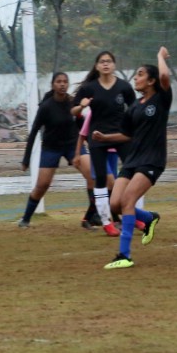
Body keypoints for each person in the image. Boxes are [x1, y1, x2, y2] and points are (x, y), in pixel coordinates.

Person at [93, 47, 172, 269]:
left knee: (127, 201)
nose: (135, 78)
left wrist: (159, 57)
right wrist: (105, 136)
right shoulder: (135, 106)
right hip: (132, 161)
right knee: (115, 204)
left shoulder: (161, 99)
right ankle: (149, 218)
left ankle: (124, 255)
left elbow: (165, 76)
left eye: (140, 74)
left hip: (152, 160)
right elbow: (127, 135)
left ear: (151, 81)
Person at [71, 51, 136, 236]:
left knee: (133, 173)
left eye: (109, 61)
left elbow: (134, 109)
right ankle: (107, 222)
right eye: (102, 62)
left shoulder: (124, 87)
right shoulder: (89, 88)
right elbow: (73, 111)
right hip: (97, 139)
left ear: (114, 65)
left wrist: (135, 131)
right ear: (97, 66)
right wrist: (82, 105)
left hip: (120, 137)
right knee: (100, 178)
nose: (106, 64)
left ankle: (136, 217)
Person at [18, 72, 89, 229]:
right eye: (59, 81)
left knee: (92, 175)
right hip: (52, 148)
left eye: (65, 81)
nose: (62, 84)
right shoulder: (46, 107)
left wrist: (93, 146)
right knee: (42, 185)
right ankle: (26, 219)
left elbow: (82, 125)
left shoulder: (72, 103)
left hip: (72, 146)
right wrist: (26, 159)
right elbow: (34, 132)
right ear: (53, 85)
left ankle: (90, 218)